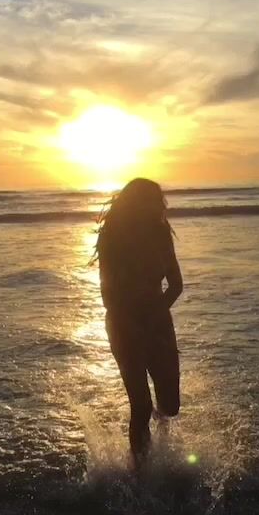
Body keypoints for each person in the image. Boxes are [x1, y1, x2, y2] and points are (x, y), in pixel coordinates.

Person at [92, 177, 183, 470]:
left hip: (158, 323)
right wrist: (133, 324)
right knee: (140, 405)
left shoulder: (160, 233)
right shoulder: (112, 237)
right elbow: (107, 294)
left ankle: (162, 442)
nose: (159, 206)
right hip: (123, 325)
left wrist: (155, 315)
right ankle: (142, 473)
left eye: (159, 201)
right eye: (153, 201)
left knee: (171, 406)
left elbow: (176, 284)